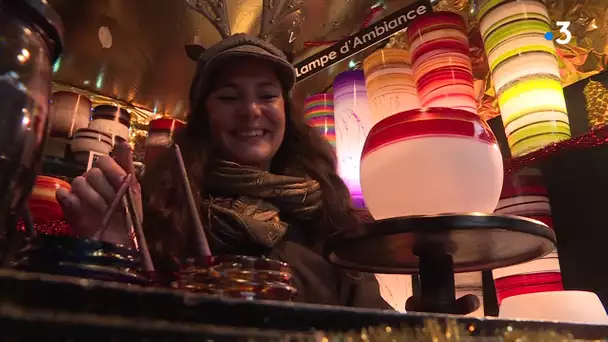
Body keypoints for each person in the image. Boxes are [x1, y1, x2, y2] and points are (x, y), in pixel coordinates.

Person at [56, 33, 392, 309]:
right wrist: (116, 252)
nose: (251, 111)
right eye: (229, 98)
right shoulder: (162, 211)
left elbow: (376, 323)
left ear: (285, 112)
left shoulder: (327, 214)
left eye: (267, 95)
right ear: (204, 118)